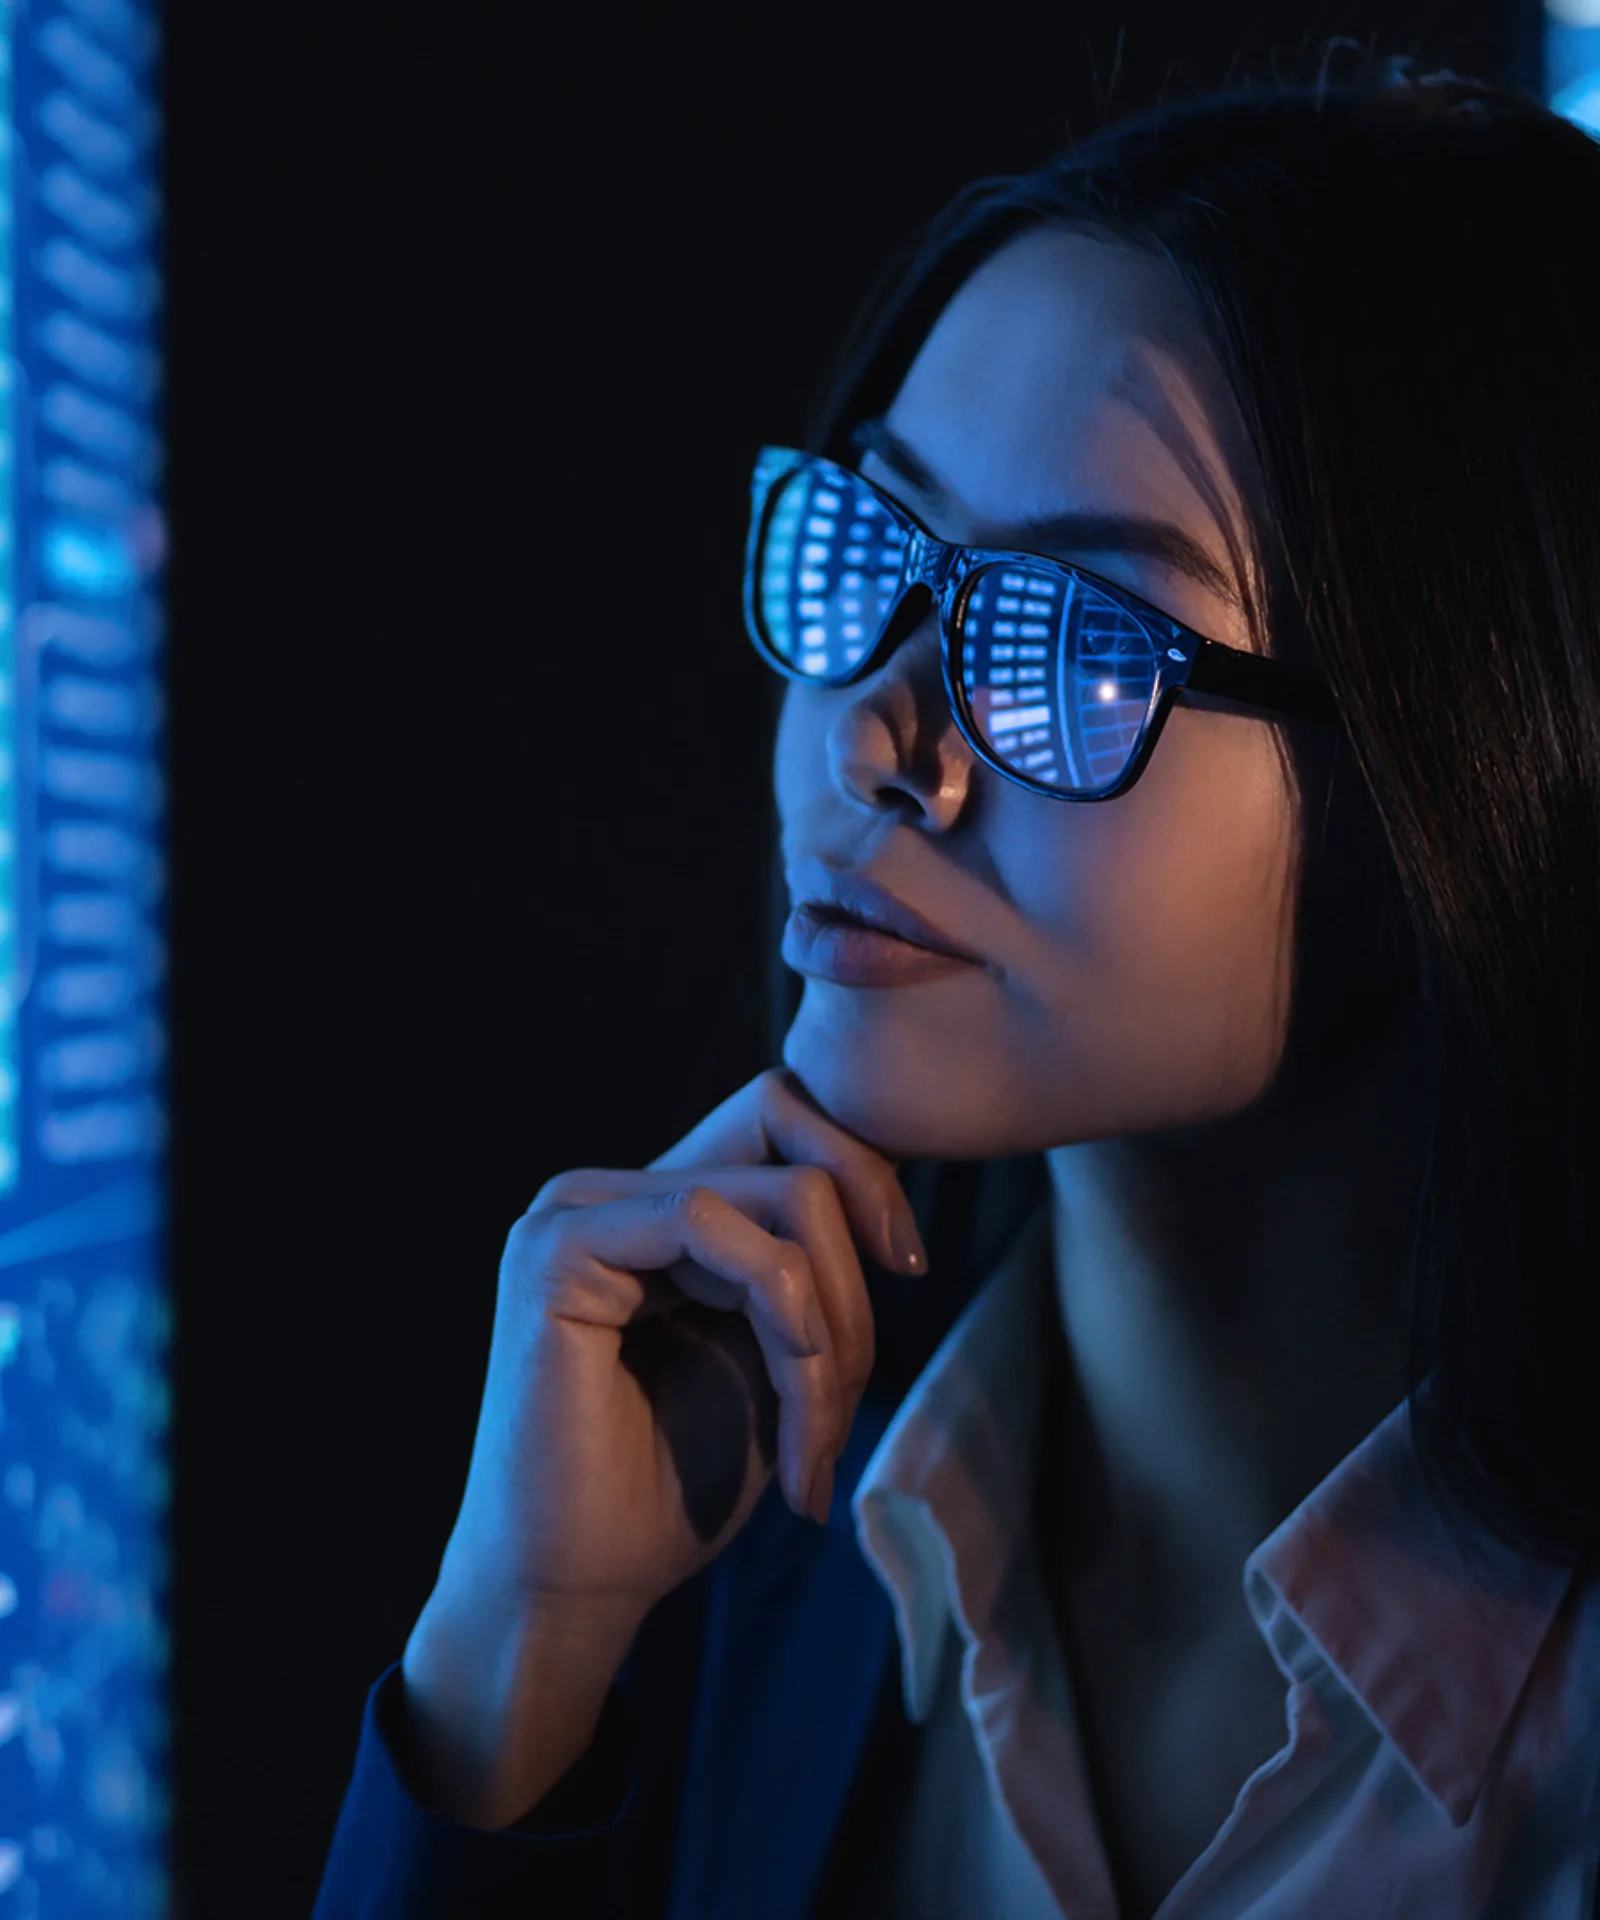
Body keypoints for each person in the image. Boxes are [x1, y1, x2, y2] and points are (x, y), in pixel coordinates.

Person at [313, 61, 1600, 1920]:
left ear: (1464, 776)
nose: (877, 742)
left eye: (1077, 642)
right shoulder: (734, 1562)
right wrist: (512, 1653)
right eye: (876, 553)